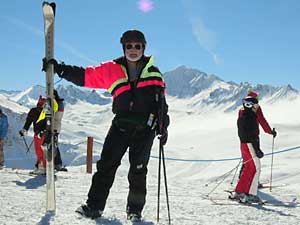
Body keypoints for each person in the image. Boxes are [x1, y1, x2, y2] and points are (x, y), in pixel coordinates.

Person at [43, 29, 170, 221]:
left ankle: (134, 211)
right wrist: (60, 69)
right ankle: (94, 207)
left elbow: (161, 103)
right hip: (120, 126)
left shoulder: (155, 73)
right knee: (106, 167)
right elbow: (85, 76)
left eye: (137, 46)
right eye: (129, 46)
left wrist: (163, 126)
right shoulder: (112, 69)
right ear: (123, 47)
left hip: (145, 129)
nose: (133, 49)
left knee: (138, 170)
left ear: (143, 48)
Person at [233, 91, 276, 203]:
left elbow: (243, 128)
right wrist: (270, 132)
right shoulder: (254, 111)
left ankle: (241, 190)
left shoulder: (242, 111)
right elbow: (261, 121)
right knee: (254, 166)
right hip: (251, 141)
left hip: (244, 141)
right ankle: (249, 192)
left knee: (248, 165)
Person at [19, 94, 66, 174]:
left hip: (41, 133)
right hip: (44, 133)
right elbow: (49, 122)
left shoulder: (35, 111)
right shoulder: (48, 111)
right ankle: (44, 167)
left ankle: (43, 168)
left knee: (41, 151)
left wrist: (25, 129)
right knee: (43, 151)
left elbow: (29, 121)